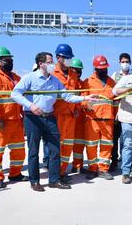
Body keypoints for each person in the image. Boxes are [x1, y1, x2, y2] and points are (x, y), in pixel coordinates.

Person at [11, 52, 99, 192]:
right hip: (32, 118)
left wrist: (86, 98)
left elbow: (67, 96)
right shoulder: (30, 78)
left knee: (55, 150)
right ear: (41, 64)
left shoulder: (54, 80)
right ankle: (35, 181)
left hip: (49, 117)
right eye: (49, 62)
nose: (52, 64)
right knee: (33, 151)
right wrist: (31, 106)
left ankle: (54, 180)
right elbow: (15, 94)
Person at [0, 46, 28, 188]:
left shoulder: (16, 78)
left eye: (11, 60)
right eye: (7, 60)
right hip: (1, 122)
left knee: (18, 149)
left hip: (16, 120)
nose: (10, 62)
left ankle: (15, 173)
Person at [82, 55, 116, 180]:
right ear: (95, 68)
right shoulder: (88, 81)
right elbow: (82, 99)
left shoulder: (112, 83)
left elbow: (115, 102)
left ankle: (103, 169)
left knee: (107, 145)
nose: (104, 70)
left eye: (105, 68)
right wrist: (86, 104)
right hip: (92, 119)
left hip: (108, 119)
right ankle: (92, 169)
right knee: (91, 145)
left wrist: (115, 116)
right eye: (101, 68)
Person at [52, 43, 79, 184]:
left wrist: (76, 108)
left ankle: (62, 172)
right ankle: (54, 173)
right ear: (58, 57)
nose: (68, 60)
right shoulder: (52, 74)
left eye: (70, 57)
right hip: (57, 115)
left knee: (68, 145)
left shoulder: (73, 74)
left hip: (70, 116)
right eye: (66, 57)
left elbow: (77, 93)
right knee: (56, 146)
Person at [110, 53, 132, 171]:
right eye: (123, 61)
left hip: (128, 111)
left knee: (126, 139)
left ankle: (125, 161)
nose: (125, 64)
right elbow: (112, 92)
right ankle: (113, 161)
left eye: (127, 61)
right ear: (119, 62)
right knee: (114, 138)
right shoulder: (115, 76)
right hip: (116, 111)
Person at [69, 59, 87, 174]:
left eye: (79, 70)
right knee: (65, 144)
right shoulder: (67, 83)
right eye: (75, 70)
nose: (78, 72)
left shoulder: (83, 84)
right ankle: (60, 168)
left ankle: (77, 165)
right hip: (68, 117)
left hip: (80, 119)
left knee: (79, 144)